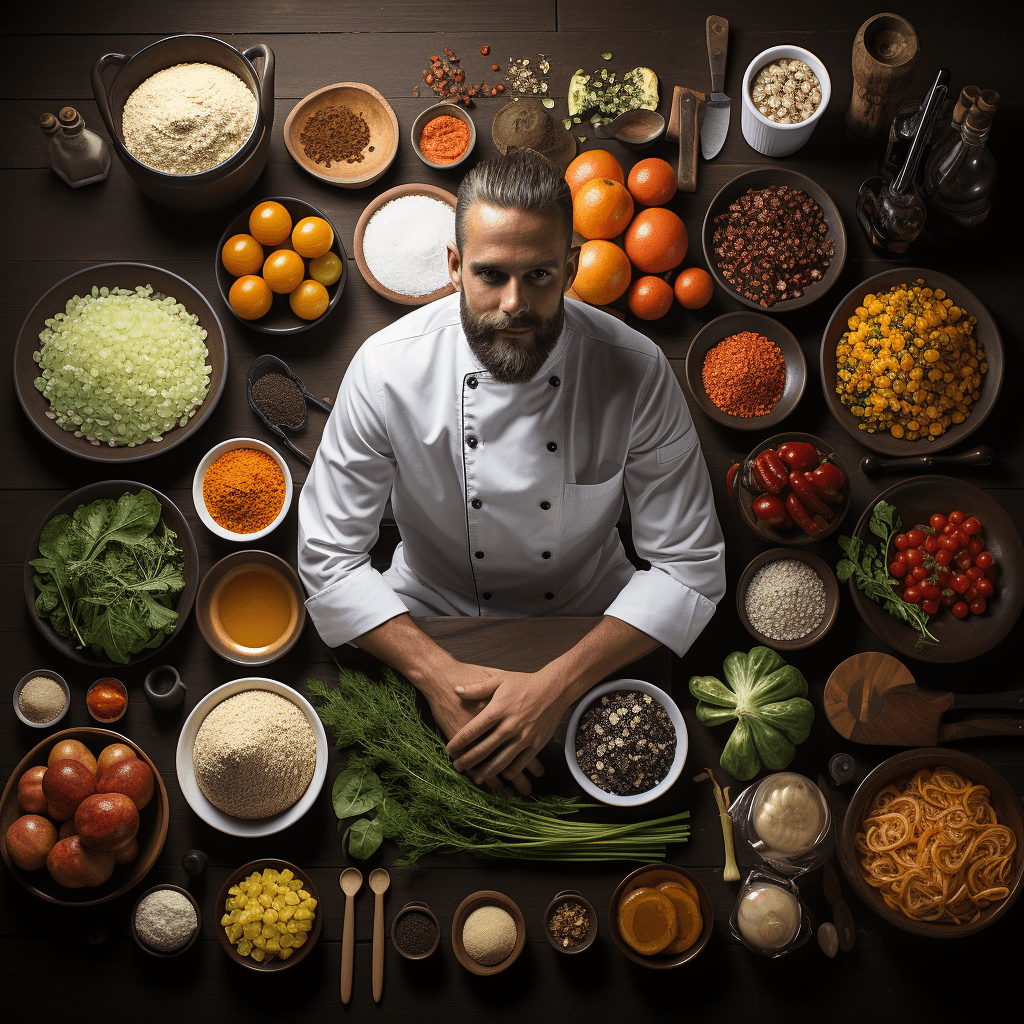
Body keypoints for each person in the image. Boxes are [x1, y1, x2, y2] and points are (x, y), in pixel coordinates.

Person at [298, 148, 725, 794]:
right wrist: (438, 677)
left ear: (572, 269)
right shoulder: (385, 369)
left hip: (591, 613)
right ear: (452, 266)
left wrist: (557, 685)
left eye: (540, 277)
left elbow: (690, 565)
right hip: (426, 608)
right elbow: (328, 558)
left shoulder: (634, 370)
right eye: (490, 274)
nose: (513, 303)